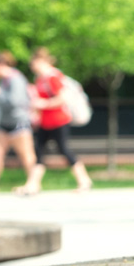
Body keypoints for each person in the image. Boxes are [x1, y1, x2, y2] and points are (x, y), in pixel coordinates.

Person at [20, 47, 93, 195]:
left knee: (64, 150)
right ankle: (33, 184)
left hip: (59, 121)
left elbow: (62, 98)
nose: (32, 67)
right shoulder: (39, 79)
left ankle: (84, 180)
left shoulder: (53, 77)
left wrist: (43, 104)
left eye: (34, 63)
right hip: (45, 122)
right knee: (39, 153)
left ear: (41, 61)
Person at [0, 51, 40, 195]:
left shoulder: (16, 79)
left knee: (26, 155)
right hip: (2, 125)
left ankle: (34, 184)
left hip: (19, 123)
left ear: (0, 65)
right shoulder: (3, 80)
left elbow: (17, 102)